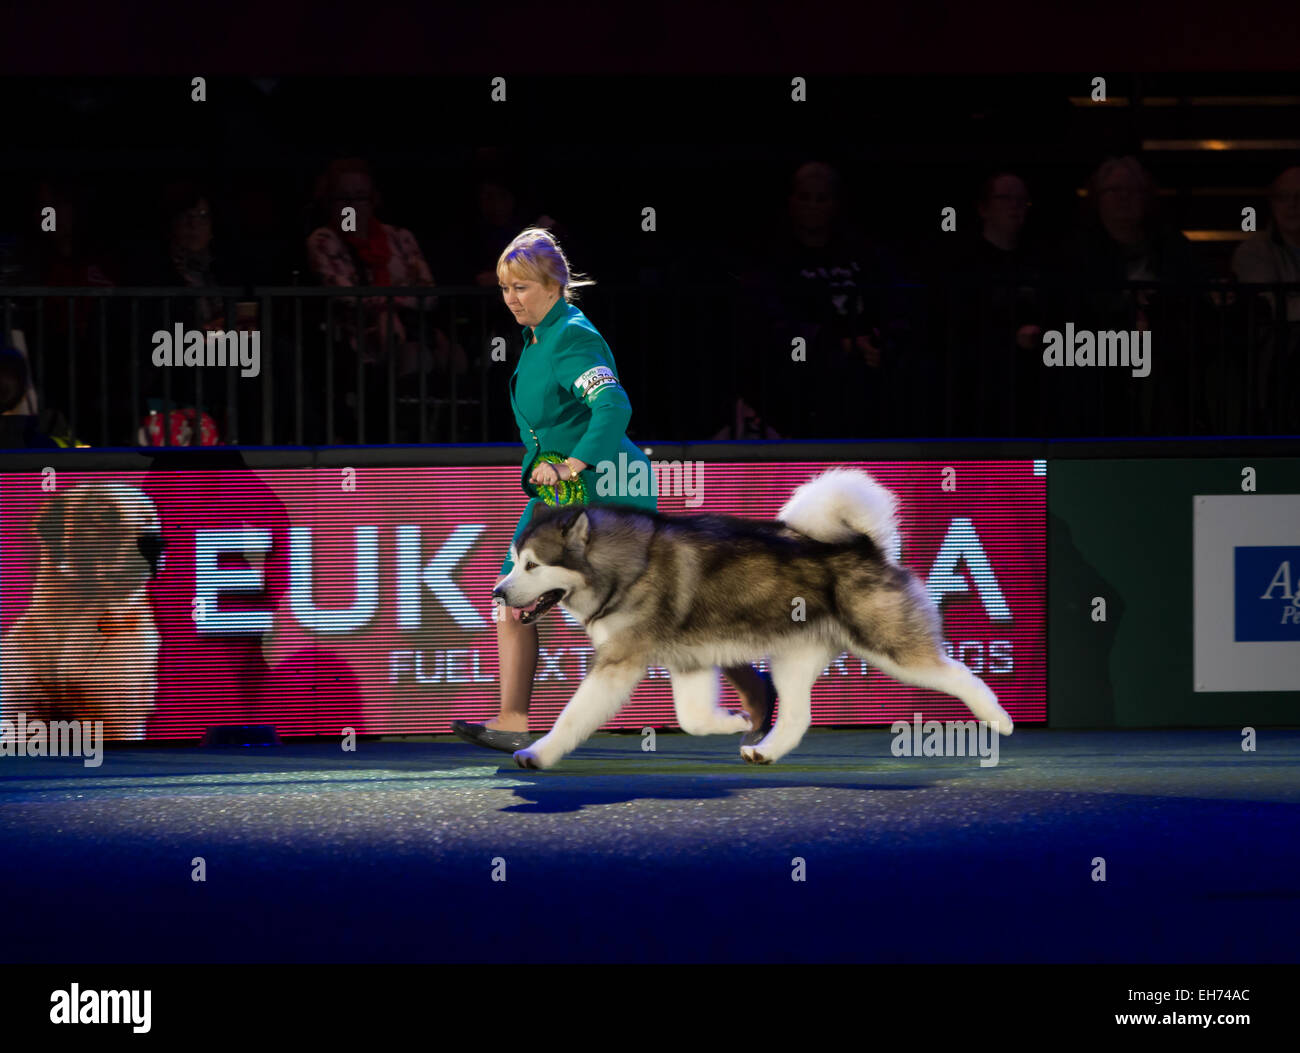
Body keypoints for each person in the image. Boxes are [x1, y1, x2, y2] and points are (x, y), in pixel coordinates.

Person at [451, 229, 777, 753]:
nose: (511, 298)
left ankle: (756, 688)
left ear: (554, 285)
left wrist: (575, 463)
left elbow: (614, 407)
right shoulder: (538, 337)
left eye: (522, 287)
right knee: (511, 596)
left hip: (608, 489)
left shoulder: (573, 337)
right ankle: (512, 718)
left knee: (655, 614)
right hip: (557, 497)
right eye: (504, 288)